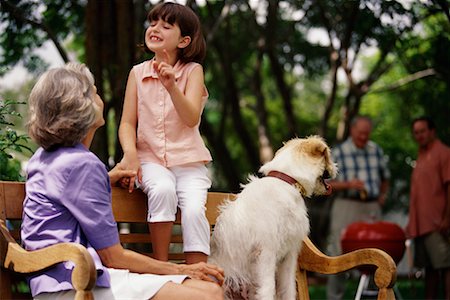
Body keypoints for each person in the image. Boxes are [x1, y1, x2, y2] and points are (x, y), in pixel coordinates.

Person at [21, 63, 224, 300]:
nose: (100, 97)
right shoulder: (83, 165)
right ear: (81, 106)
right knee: (208, 296)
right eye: (95, 92)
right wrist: (183, 268)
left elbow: (59, 195)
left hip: (59, 281)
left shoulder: (44, 157)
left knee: (209, 289)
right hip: (75, 284)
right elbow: (113, 257)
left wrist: (105, 179)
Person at [118, 2, 212, 264]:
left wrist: (172, 87)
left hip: (189, 162)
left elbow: (191, 117)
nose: (155, 28)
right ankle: (161, 266)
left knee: (194, 211)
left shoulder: (193, 71)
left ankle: (198, 274)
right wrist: (131, 156)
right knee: (162, 189)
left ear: (184, 41)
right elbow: (127, 123)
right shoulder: (137, 73)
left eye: (166, 25)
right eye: (153, 23)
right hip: (149, 161)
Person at [326, 115, 390, 300]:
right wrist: (348, 185)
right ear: (352, 130)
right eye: (361, 133)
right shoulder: (338, 151)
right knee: (338, 252)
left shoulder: (375, 149)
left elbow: (385, 177)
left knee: (375, 254)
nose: (364, 136)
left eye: (367, 133)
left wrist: (382, 196)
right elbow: (325, 184)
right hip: (346, 205)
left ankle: (373, 296)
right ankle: (334, 297)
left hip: (371, 206)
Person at [406, 116, 450, 299]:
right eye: (416, 132)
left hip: (437, 222)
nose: (419, 135)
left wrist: (447, 218)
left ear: (432, 131)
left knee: (446, 266)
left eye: (423, 131)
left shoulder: (444, 153)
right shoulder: (421, 155)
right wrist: (411, 223)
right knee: (429, 270)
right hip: (421, 226)